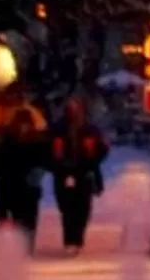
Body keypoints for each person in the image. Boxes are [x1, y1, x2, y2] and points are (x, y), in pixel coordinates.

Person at [0, 86, 48, 244]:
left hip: (24, 177)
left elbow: (43, 148)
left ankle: (24, 243)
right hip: (9, 177)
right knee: (8, 210)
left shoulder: (31, 117)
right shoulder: (0, 117)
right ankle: (5, 243)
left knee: (26, 213)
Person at [47, 96, 109, 252]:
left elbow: (103, 149)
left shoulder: (90, 129)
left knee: (83, 207)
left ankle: (77, 238)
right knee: (66, 206)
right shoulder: (58, 129)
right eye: (70, 109)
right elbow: (45, 150)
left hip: (84, 171)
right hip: (63, 171)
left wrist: (93, 153)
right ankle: (69, 240)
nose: (73, 113)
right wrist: (55, 161)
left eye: (76, 109)